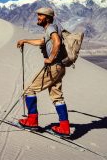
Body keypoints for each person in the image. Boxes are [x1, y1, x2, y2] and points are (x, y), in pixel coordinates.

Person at [17, 7, 70, 135]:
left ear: (47, 18)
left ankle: (32, 120)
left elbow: (56, 42)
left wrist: (50, 58)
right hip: (59, 67)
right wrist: (25, 40)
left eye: (40, 16)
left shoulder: (51, 28)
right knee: (57, 96)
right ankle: (64, 127)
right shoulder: (52, 29)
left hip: (53, 67)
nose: (38, 18)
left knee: (29, 89)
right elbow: (42, 41)